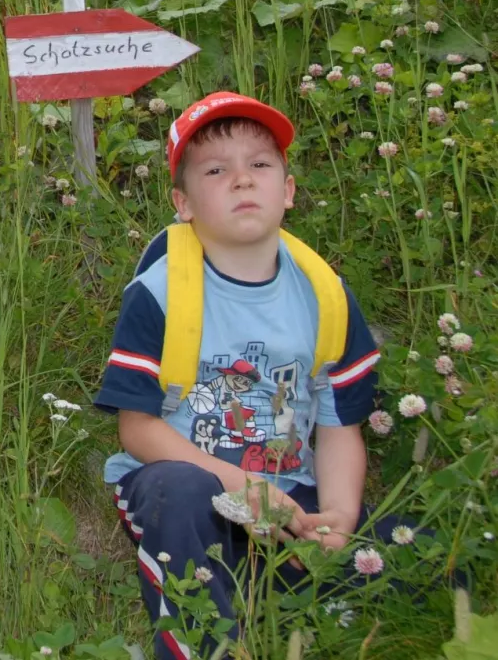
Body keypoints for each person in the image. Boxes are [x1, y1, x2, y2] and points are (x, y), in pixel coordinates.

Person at [95, 91, 399, 660]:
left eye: (259, 164)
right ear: (182, 203)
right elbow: (137, 428)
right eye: (216, 170)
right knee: (176, 494)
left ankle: (279, 585)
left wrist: (338, 518)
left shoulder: (326, 296)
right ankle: (205, 641)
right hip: (190, 486)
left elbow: (338, 428)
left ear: (286, 191)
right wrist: (238, 485)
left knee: (419, 547)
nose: (242, 180)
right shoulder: (158, 294)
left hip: (290, 497)